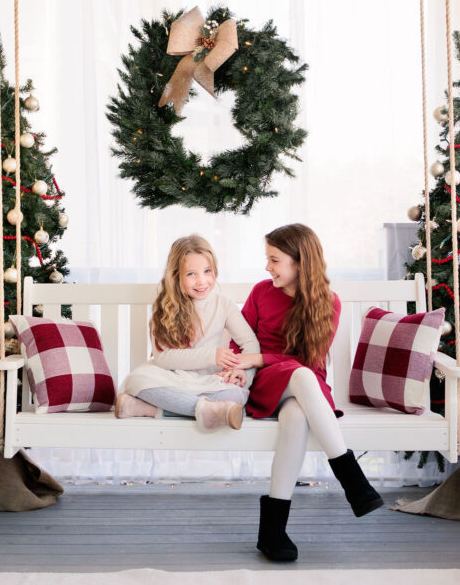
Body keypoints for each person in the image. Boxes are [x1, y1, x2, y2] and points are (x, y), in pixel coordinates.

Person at [233, 223, 384, 562]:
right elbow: (240, 340)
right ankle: (353, 481)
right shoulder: (260, 292)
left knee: (298, 415)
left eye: (274, 260)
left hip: (307, 388)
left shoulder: (327, 302)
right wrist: (245, 363)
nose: (267, 267)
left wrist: (260, 355)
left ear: (300, 263)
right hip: (268, 383)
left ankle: (272, 531)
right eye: (267, 259)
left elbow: (309, 360)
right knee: (300, 376)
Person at [115, 234, 260, 431]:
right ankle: (211, 411)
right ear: (175, 275)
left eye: (207, 271)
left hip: (211, 380)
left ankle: (150, 410)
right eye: (191, 274)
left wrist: (241, 371)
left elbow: (250, 344)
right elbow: (163, 359)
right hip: (173, 377)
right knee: (137, 380)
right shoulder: (164, 307)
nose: (202, 281)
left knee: (238, 395)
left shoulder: (223, 304)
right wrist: (212, 355)